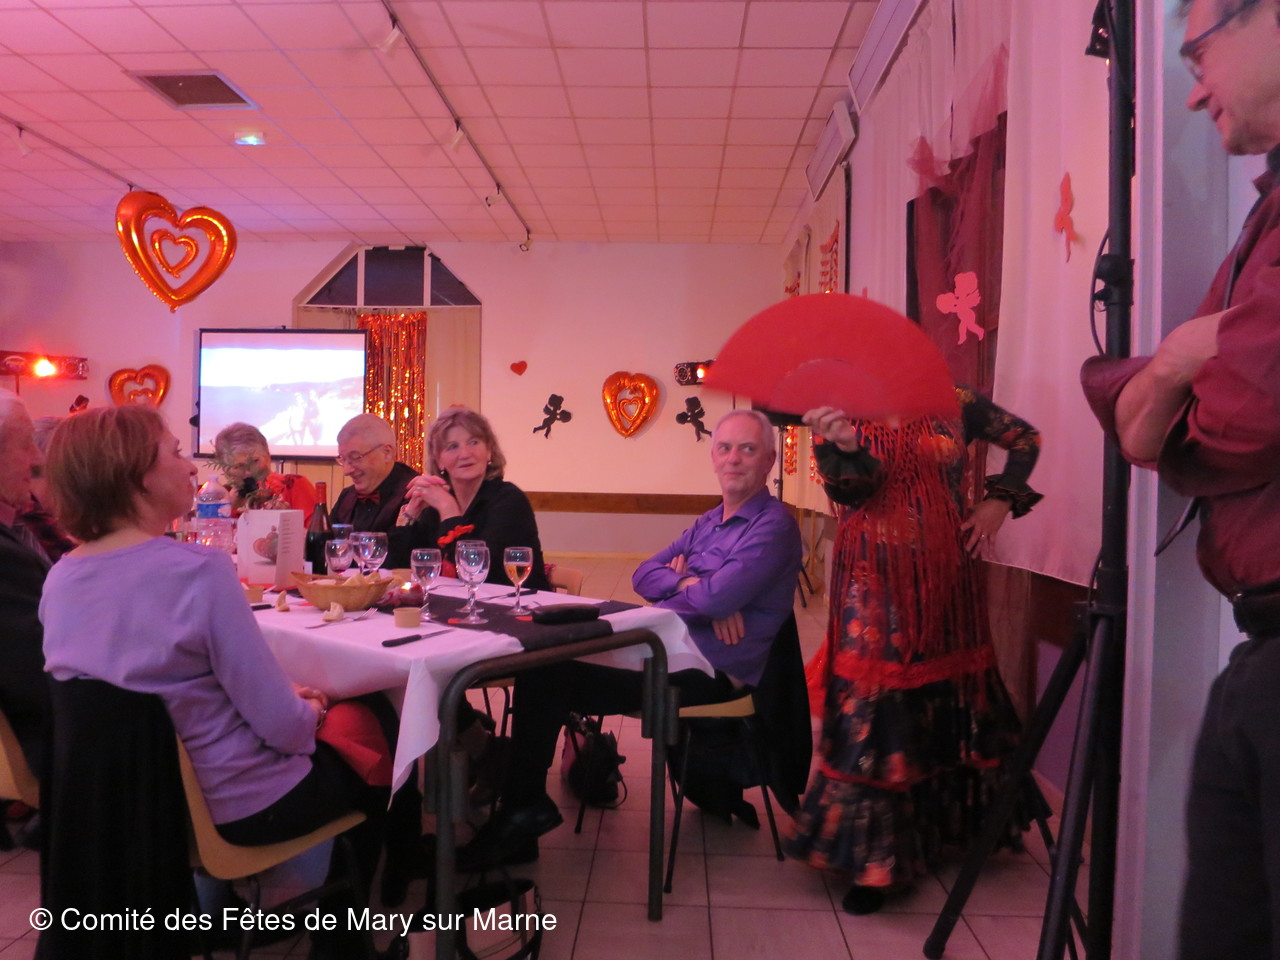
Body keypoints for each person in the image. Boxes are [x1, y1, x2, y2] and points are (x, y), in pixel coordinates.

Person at [39, 405, 388, 958]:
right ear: (136, 476)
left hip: (137, 816)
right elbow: (284, 730)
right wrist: (315, 712)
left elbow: (155, 695)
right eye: (175, 452)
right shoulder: (198, 572)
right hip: (236, 807)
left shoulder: (60, 578)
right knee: (381, 739)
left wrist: (282, 703)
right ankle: (347, 944)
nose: (191, 468)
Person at [1081, 3, 1280, 956]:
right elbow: (1145, 432)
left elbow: (1243, 417)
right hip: (1261, 640)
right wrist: (1171, 366)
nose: (1193, 91)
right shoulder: (1265, 215)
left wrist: (1170, 401)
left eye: (1199, 53)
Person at [457, 409, 803, 870]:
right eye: (725, 448)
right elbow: (644, 574)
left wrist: (702, 591)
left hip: (711, 672)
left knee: (549, 673)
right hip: (666, 649)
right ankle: (522, 807)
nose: (734, 458)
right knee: (544, 660)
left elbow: (717, 598)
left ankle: (521, 812)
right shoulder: (708, 521)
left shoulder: (775, 525)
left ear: (769, 461)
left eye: (748, 449)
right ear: (713, 457)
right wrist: (691, 585)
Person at [786, 386, 1042, 915]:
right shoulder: (842, 406)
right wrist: (844, 444)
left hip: (949, 575)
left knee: (950, 694)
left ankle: (947, 832)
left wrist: (999, 500)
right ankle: (878, 862)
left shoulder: (956, 401)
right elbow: (849, 493)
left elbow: (1026, 439)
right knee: (876, 704)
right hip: (871, 580)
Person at [393, 406, 549, 587]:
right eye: (452, 447)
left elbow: (478, 573)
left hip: (518, 601)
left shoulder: (509, 500)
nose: (465, 454)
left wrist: (448, 510)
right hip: (451, 602)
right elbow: (395, 565)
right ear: (439, 460)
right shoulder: (436, 502)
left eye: (474, 442)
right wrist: (410, 514)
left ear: (489, 451)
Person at [0, 391, 52, 777]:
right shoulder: (6, 558)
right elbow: (43, 681)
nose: (36, 460)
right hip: (41, 760)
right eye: (25, 444)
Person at [212, 421, 317, 523]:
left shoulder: (293, 486)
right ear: (225, 469)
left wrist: (288, 520)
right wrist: (229, 510)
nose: (249, 472)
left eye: (254, 461)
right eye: (239, 466)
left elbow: (315, 532)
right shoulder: (219, 499)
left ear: (268, 456)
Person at [330, 413, 417, 534]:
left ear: (386, 453)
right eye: (343, 459)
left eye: (355, 457)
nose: (346, 471)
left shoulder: (414, 496)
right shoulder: (347, 497)